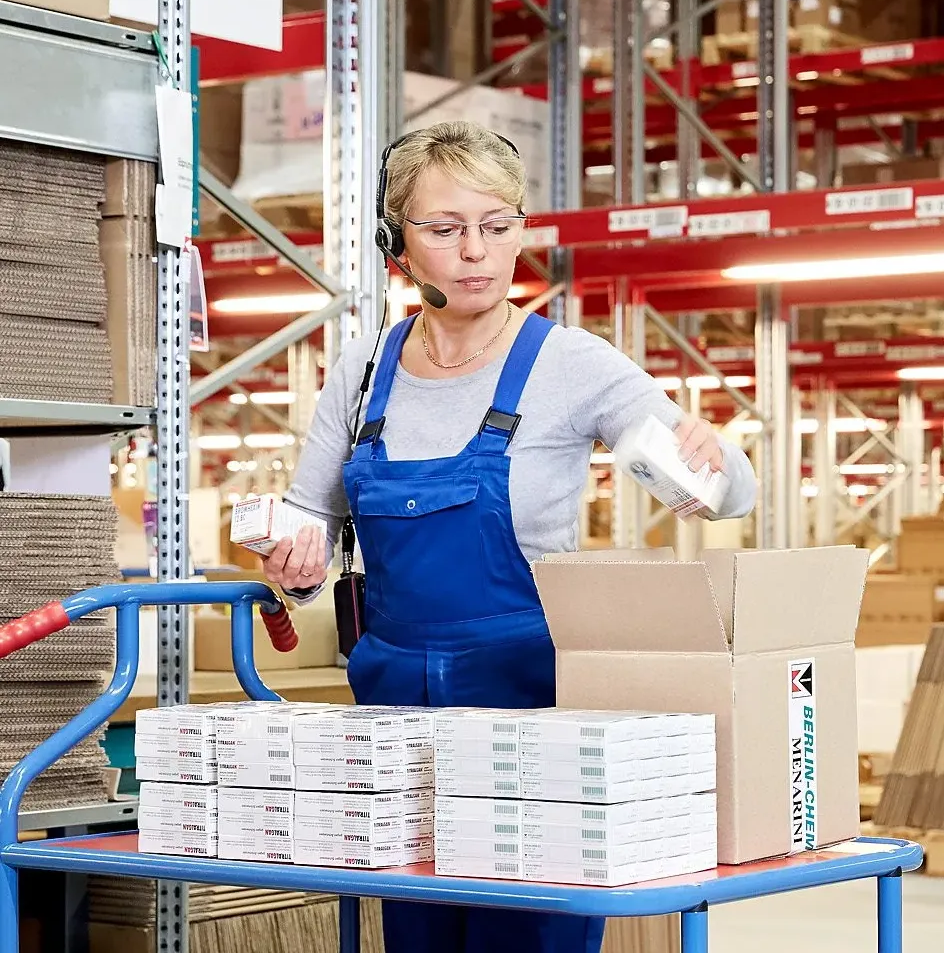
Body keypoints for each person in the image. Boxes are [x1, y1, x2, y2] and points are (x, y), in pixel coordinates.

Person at [266, 120, 757, 953]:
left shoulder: (569, 363)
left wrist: (713, 462)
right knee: (415, 930)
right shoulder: (361, 373)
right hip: (396, 722)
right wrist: (295, 562)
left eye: (497, 228)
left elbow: (730, 489)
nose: (476, 253)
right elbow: (308, 533)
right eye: (447, 230)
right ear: (397, 244)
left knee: (528, 932)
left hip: (532, 708)